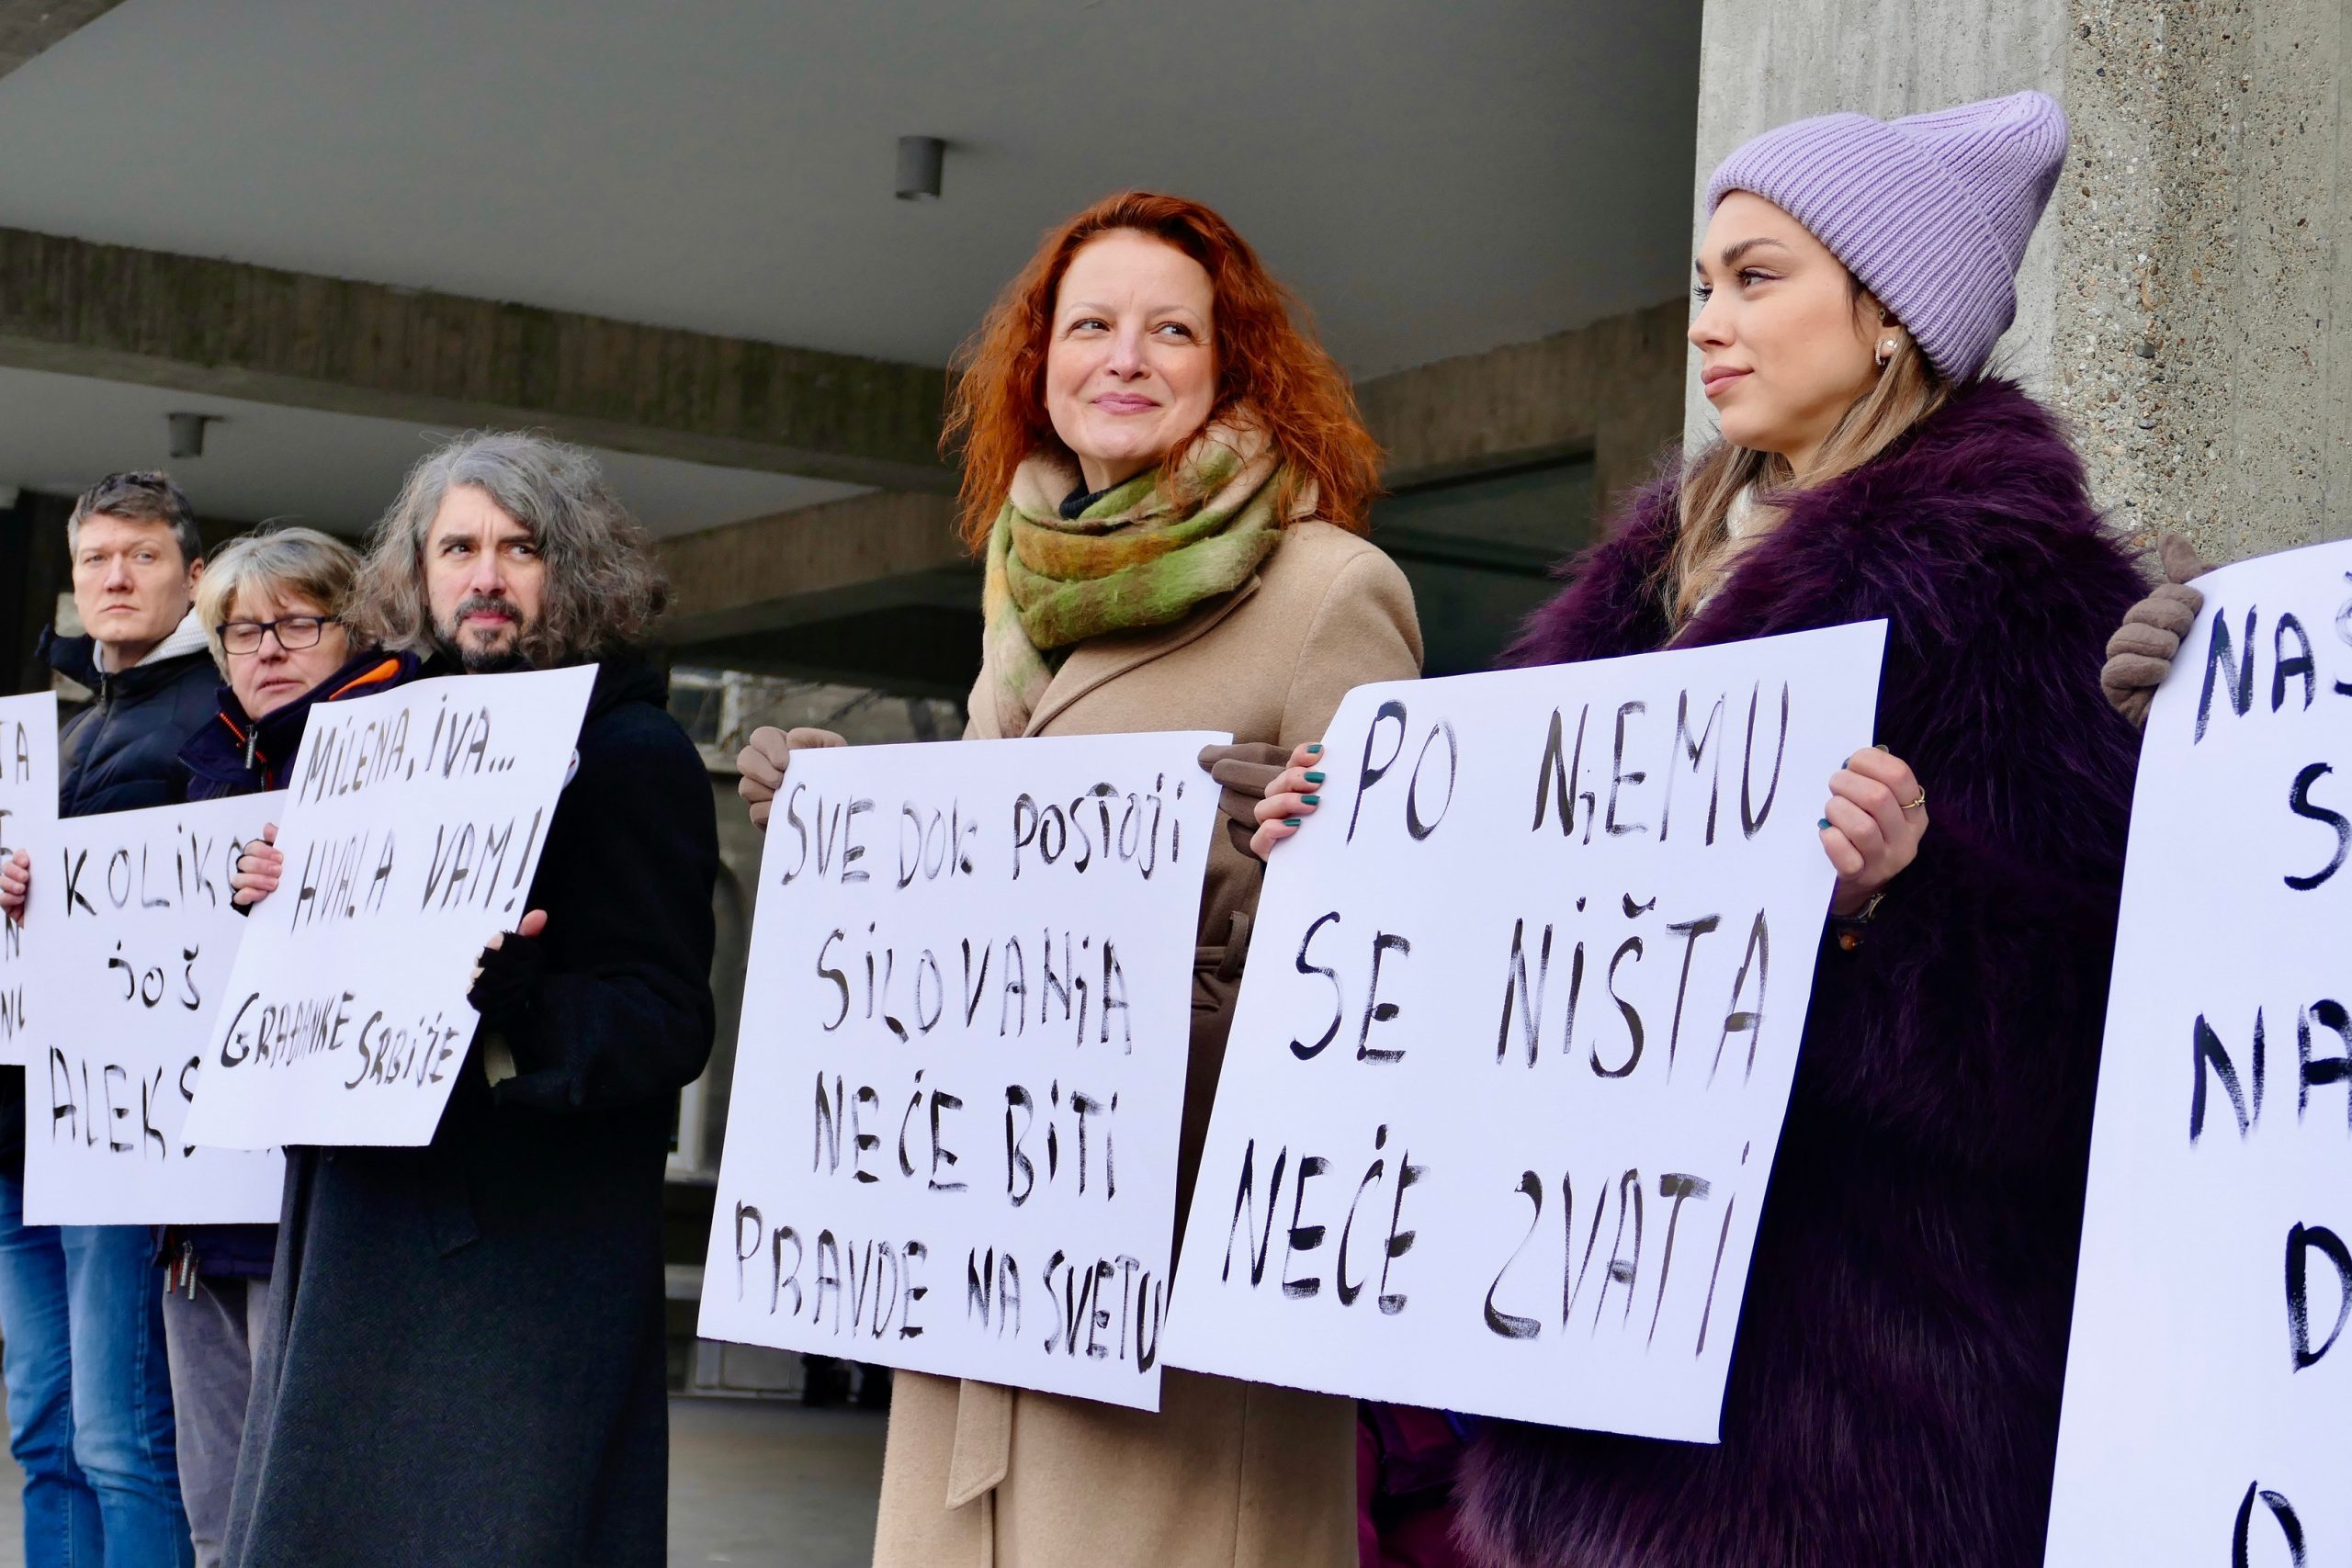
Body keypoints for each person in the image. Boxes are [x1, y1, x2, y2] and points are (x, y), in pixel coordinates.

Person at [1260, 92, 2146, 1568]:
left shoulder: (2026, 594)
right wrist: (1353, 843)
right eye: (1702, 283)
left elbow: (2084, 1045)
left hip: (1843, 1420)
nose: (1707, 323)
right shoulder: (1646, 597)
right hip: (1593, 1374)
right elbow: (1517, 940)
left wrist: (1901, 899)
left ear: (1889, 316)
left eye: (1756, 277)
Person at [736, 191, 1422, 1568]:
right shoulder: (1021, 592)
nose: (1125, 357)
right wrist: (840, 811)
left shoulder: (1327, 587)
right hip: (988, 1223)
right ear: (1039, 360)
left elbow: (1391, 936)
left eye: (1172, 331)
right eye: (1090, 325)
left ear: (1232, 364)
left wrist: (1313, 856)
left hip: (1181, 1227)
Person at [218, 434, 719, 1567]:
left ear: (573, 568)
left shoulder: (633, 752)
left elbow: (669, 1023)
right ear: (419, 571)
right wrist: (286, 903)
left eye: (519, 548)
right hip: (361, 1225)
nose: (485, 576)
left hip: (522, 1259)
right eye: (458, 548)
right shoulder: (379, 737)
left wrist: (528, 1007)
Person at [169, 526, 404, 1568]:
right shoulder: (206, 770)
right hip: (197, 1209)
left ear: (353, 629)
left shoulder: (403, 756)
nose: (267, 647)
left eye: (297, 622)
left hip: (313, 1203)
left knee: (299, 1509)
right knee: (216, 1523)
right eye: (242, 630)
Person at [0, 469, 205, 1566]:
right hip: (20, 1125)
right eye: (95, 560)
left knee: (121, 1440)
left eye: (143, 556)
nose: (115, 577)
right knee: (46, 1433)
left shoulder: (220, 718)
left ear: (193, 576)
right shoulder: (61, 735)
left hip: (123, 1136)